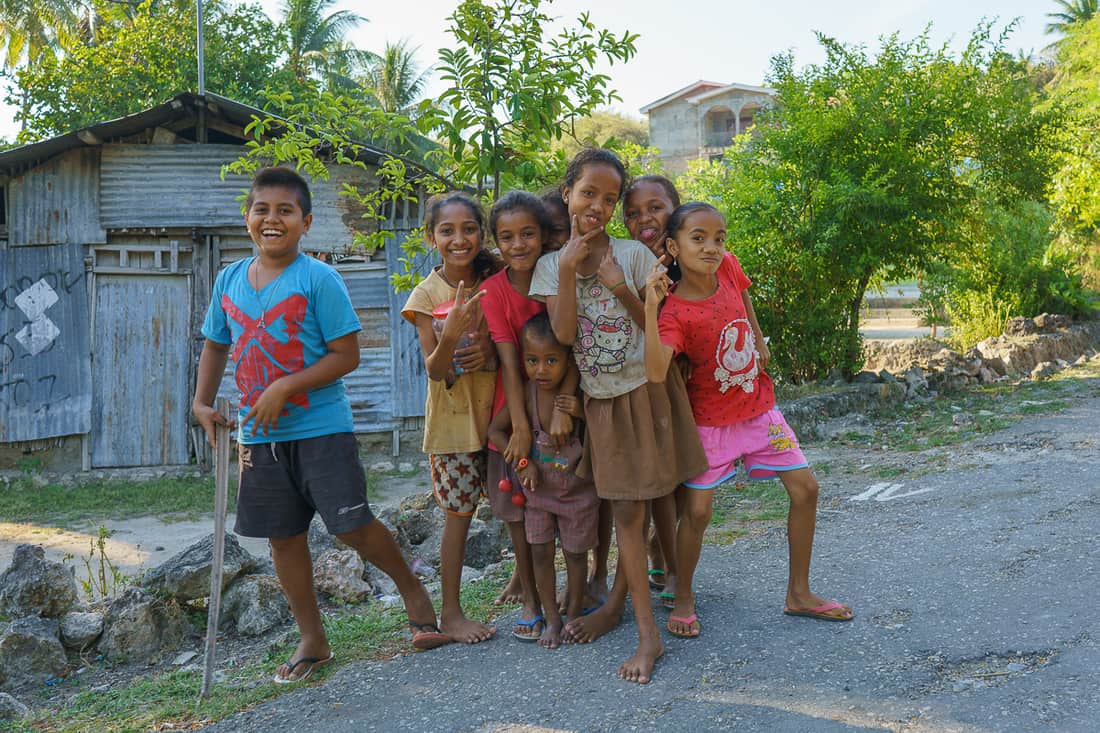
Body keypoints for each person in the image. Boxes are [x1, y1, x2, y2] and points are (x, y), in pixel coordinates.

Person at [193, 167, 448, 684]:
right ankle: (313, 638)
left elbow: (347, 355)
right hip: (259, 438)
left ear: (305, 222)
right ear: (247, 219)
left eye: (285, 210)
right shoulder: (228, 280)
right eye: (262, 209)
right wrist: (200, 402)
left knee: (350, 524)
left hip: (321, 428)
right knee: (283, 539)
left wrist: (285, 387)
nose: (272, 218)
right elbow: (217, 344)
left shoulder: (319, 278)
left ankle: (412, 589)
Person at [530, 148, 708, 684]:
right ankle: (644, 630)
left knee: (655, 503)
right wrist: (567, 271)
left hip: (650, 391)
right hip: (604, 402)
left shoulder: (633, 255)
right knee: (628, 514)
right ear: (568, 194)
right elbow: (562, 336)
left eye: (610, 199)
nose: (599, 207)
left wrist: (615, 284)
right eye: (589, 194)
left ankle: (649, 625)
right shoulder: (548, 265)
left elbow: (653, 325)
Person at [643, 202, 854, 638]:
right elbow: (654, 371)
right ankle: (683, 596)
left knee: (806, 488)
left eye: (718, 238)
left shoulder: (730, 269)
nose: (711, 248)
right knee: (698, 513)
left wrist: (758, 340)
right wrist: (649, 305)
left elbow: (743, 298)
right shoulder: (674, 312)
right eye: (697, 238)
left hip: (759, 411)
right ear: (672, 247)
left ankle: (799, 592)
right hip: (711, 425)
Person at [402, 192, 502, 644]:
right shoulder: (426, 295)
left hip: (500, 419)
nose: (458, 239)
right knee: (458, 516)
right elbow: (435, 368)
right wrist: (454, 333)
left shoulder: (497, 279)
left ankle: (524, 585)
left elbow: (511, 346)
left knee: (515, 510)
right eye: (447, 230)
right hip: (453, 427)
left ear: (481, 234)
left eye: (468, 229)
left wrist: (488, 355)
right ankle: (453, 613)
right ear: (431, 238)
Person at [480, 191, 576, 639]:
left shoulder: (555, 279)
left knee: (576, 502)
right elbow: (507, 360)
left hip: (559, 410)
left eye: (528, 235)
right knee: (521, 514)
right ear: (495, 242)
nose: (518, 245)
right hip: (514, 406)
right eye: (506, 237)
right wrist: (519, 427)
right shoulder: (494, 290)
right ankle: (534, 601)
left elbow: (574, 348)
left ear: (543, 237)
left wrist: (561, 408)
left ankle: (578, 590)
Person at [488, 313, 598, 649]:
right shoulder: (525, 393)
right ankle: (551, 618)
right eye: (533, 360)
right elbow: (495, 431)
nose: (541, 370)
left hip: (578, 495)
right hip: (536, 494)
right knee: (540, 554)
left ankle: (575, 612)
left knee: (577, 556)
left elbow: (602, 430)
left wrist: (581, 413)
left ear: (568, 360)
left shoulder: (579, 396)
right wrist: (522, 464)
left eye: (551, 361)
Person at [622, 174, 683, 604]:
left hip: (685, 375)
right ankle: (654, 552)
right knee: (649, 473)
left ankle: (666, 550)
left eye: (655, 208)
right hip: (641, 378)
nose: (644, 218)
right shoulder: (623, 262)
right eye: (633, 213)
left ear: (675, 209)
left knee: (680, 473)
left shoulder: (692, 253)